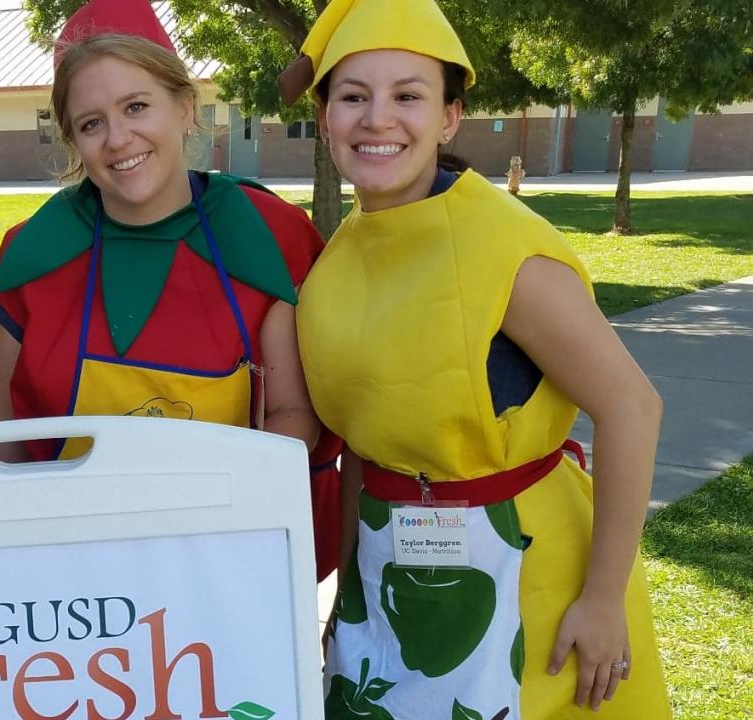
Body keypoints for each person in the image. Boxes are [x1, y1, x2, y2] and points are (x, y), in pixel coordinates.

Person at [280, 1, 671, 717]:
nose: (377, 119)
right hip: (395, 589)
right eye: (353, 96)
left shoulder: (505, 249)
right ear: (325, 114)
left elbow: (631, 407)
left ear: (450, 117)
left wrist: (603, 597)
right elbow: (361, 452)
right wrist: (349, 599)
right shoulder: (335, 263)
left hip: (535, 581)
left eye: (408, 95)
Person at [0, 0, 343, 580]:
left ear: (184, 106)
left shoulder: (266, 234)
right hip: (76, 580)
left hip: (231, 562)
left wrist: (214, 533)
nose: (119, 139)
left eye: (136, 106)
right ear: (72, 138)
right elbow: (8, 440)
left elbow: (294, 415)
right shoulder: (32, 255)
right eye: (91, 123)